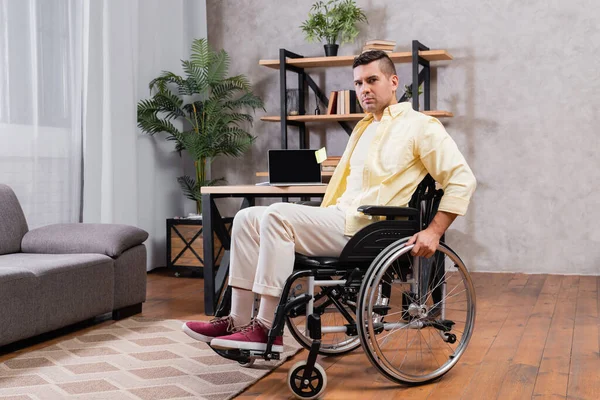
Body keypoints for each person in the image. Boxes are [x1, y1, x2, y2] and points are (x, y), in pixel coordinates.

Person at [182, 50, 477, 353]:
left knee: (277, 215)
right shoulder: (363, 127)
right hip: (339, 217)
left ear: (393, 81)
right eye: (358, 83)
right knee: (247, 218)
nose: (364, 89)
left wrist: (434, 231)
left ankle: (266, 327)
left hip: (367, 229)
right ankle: (236, 318)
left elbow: (462, 179)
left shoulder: (421, 126)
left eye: (372, 80)